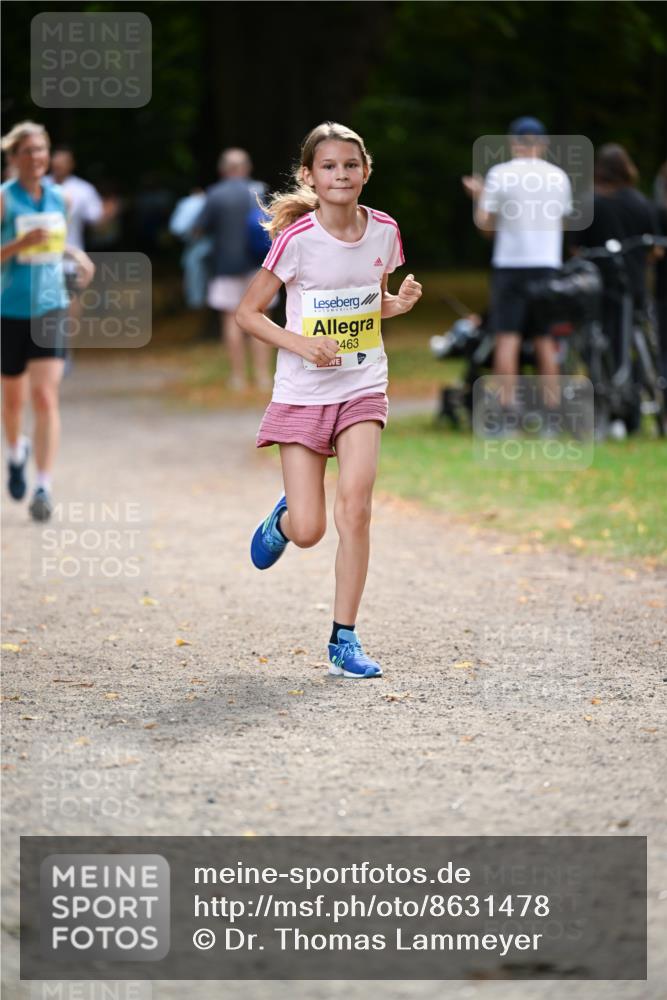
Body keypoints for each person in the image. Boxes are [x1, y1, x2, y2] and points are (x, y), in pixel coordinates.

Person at [236, 122, 421, 679]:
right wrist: (299, 344)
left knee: (356, 508)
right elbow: (248, 314)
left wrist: (398, 303)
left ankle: (345, 638)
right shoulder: (297, 240)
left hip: (363, 386)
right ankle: (286, 518)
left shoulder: (384, 232)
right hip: (303, 391)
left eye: (350, 165)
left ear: (366, 172)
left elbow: (367, 304)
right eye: (328, 167)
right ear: (309, 176)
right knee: (313, 529)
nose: (341, 175)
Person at [1, 121, 94, 521]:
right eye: (28, 151)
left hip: (51, 305)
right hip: (9, 309)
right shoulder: (4, 200)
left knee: (44, 396)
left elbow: (57, 243)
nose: (36, 157)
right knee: (13, 400)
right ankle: (16, 450)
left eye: (41, 150)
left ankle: (43, 485)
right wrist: (19, 245)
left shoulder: (61, 198)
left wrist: (76, 257)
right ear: (14, 157)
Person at [463, 116, 573, 423]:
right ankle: (553, 412)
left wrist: (479, 197)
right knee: (545, 339)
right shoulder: (559, 177)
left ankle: (507, 410)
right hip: (547, 265)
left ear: (513, 143)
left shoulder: (500, 175)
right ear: (543, 144)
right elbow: (562, 221)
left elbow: (486, 226)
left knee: (507, 338)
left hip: (510, 265)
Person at [571, 145, 661, 374]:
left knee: (595, 335)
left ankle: (603, 379)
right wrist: (642, 261)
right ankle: (634, 385)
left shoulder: (591, 202)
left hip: (597, 285)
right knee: (632, 334)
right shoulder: (641, 202)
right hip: (634, 282)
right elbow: (656, 249)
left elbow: (575, 248)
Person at [196, 148, 274, 391]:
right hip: (259, 266)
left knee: (231, 319)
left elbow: (199, 229)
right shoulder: (259, 191)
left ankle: (238, 377)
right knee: (261, 318)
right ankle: (263, 376)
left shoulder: (214, 195)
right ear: (246, 168)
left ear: (222, 170)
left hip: (224, 266)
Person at [168, 186, 212, 310]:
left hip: (195, 243)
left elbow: (176, 228)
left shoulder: (186, 203)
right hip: (208, 243)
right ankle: (206, 303)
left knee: (194, 272)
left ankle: (196, 303)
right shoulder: (209, 201)